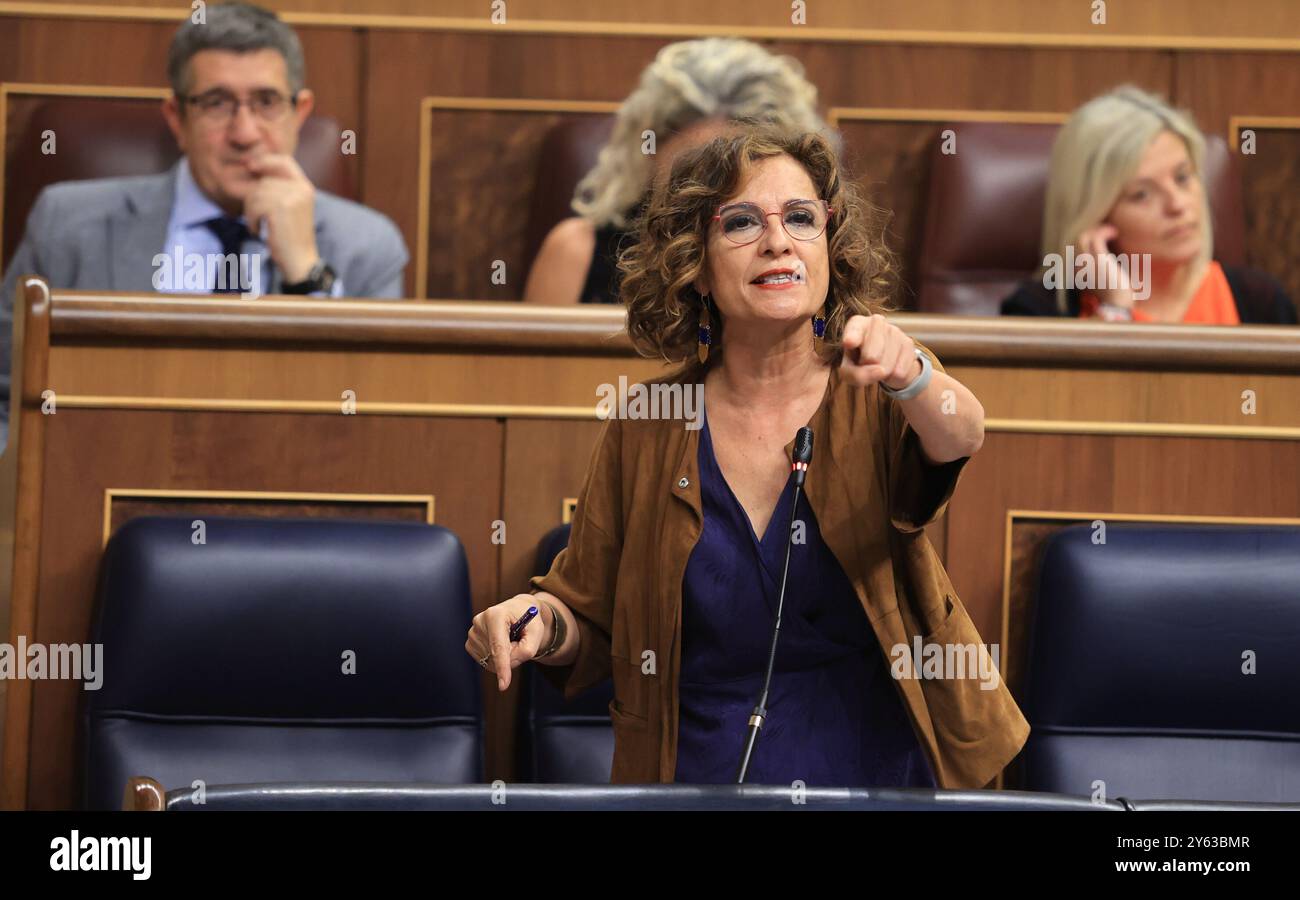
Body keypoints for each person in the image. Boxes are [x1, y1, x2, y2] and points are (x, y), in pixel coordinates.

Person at [468, 125, 1029, 788]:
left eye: (800, 218)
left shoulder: (877, 387)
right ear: (696, 264)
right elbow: (584, 609)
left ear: (829, 243)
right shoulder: (649, 424)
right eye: (740, 223)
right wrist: (535, 623)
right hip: (697, 775)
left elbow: (962, 435)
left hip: (878, 776)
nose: (778, 241)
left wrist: (913, 377)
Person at [0, 2, 409, 447]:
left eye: (267, 102)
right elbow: (6, 401)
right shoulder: (67, 224)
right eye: (217, 103)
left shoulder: (368, 247)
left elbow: (366, 430)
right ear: (178, 118)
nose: (245, 133)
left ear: (300, 112)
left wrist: (306, 273)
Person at [522, 37, 833, 306]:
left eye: (731, 175)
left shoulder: (806, 251)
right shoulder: (576, 251)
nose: (706, 194)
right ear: (651, 153)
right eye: (691, 174)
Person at [1001, 85, 1296, 324]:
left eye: (1182, 178)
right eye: (1142, 194)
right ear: (1097, 216)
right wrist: (1116, 310)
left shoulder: (1259, 302)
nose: (1177, 205)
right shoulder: (1040, 311)